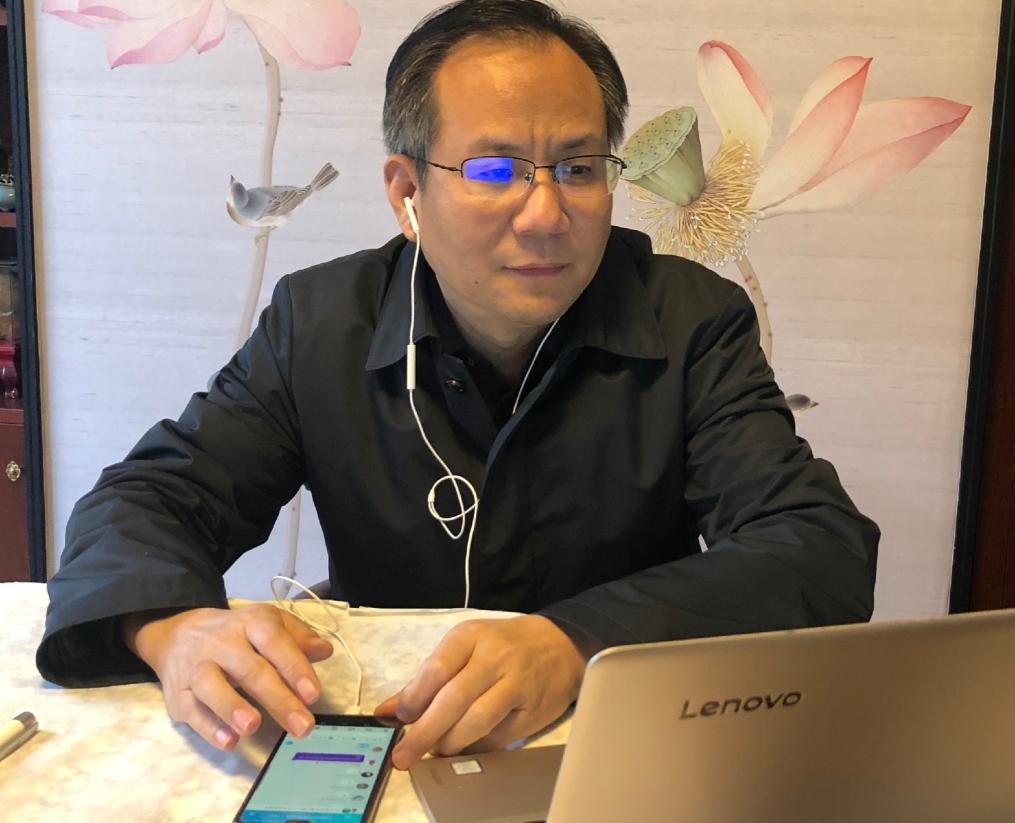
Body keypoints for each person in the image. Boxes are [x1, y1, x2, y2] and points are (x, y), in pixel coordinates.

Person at [37, 0, 879, 771]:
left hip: (616, 751)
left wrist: (578, 640)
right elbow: (147, 501)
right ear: (408, 192)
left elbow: (816, 545)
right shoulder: (322, 323)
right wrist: (171, 627)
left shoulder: (692, 321)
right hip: (396, 742)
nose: (545, 214)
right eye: (494, 170)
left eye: (579, 168)